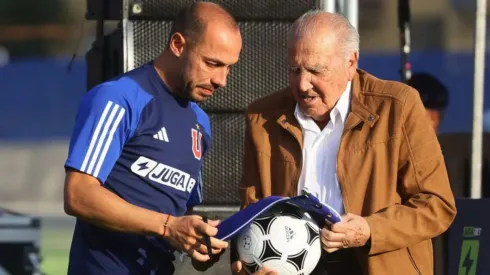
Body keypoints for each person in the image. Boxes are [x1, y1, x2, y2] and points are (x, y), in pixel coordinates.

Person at [231, 10, 457, 275]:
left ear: (351, 63)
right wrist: (248, 264)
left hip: (374, 264)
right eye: (294, 70)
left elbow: (436, 205)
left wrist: (370, 230)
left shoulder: (399, 107)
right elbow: (251, 212)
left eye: (316, 70)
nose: (303, 84)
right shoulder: (263, 116)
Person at [62, 2, 242, 274]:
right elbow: (78, 194)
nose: (222, 80)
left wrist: (198, 243)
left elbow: (179, 218)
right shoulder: (119, 98)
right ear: (178, 45)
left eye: (229, 68)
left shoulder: (201, 124)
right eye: (212, 63)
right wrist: (167, 225)